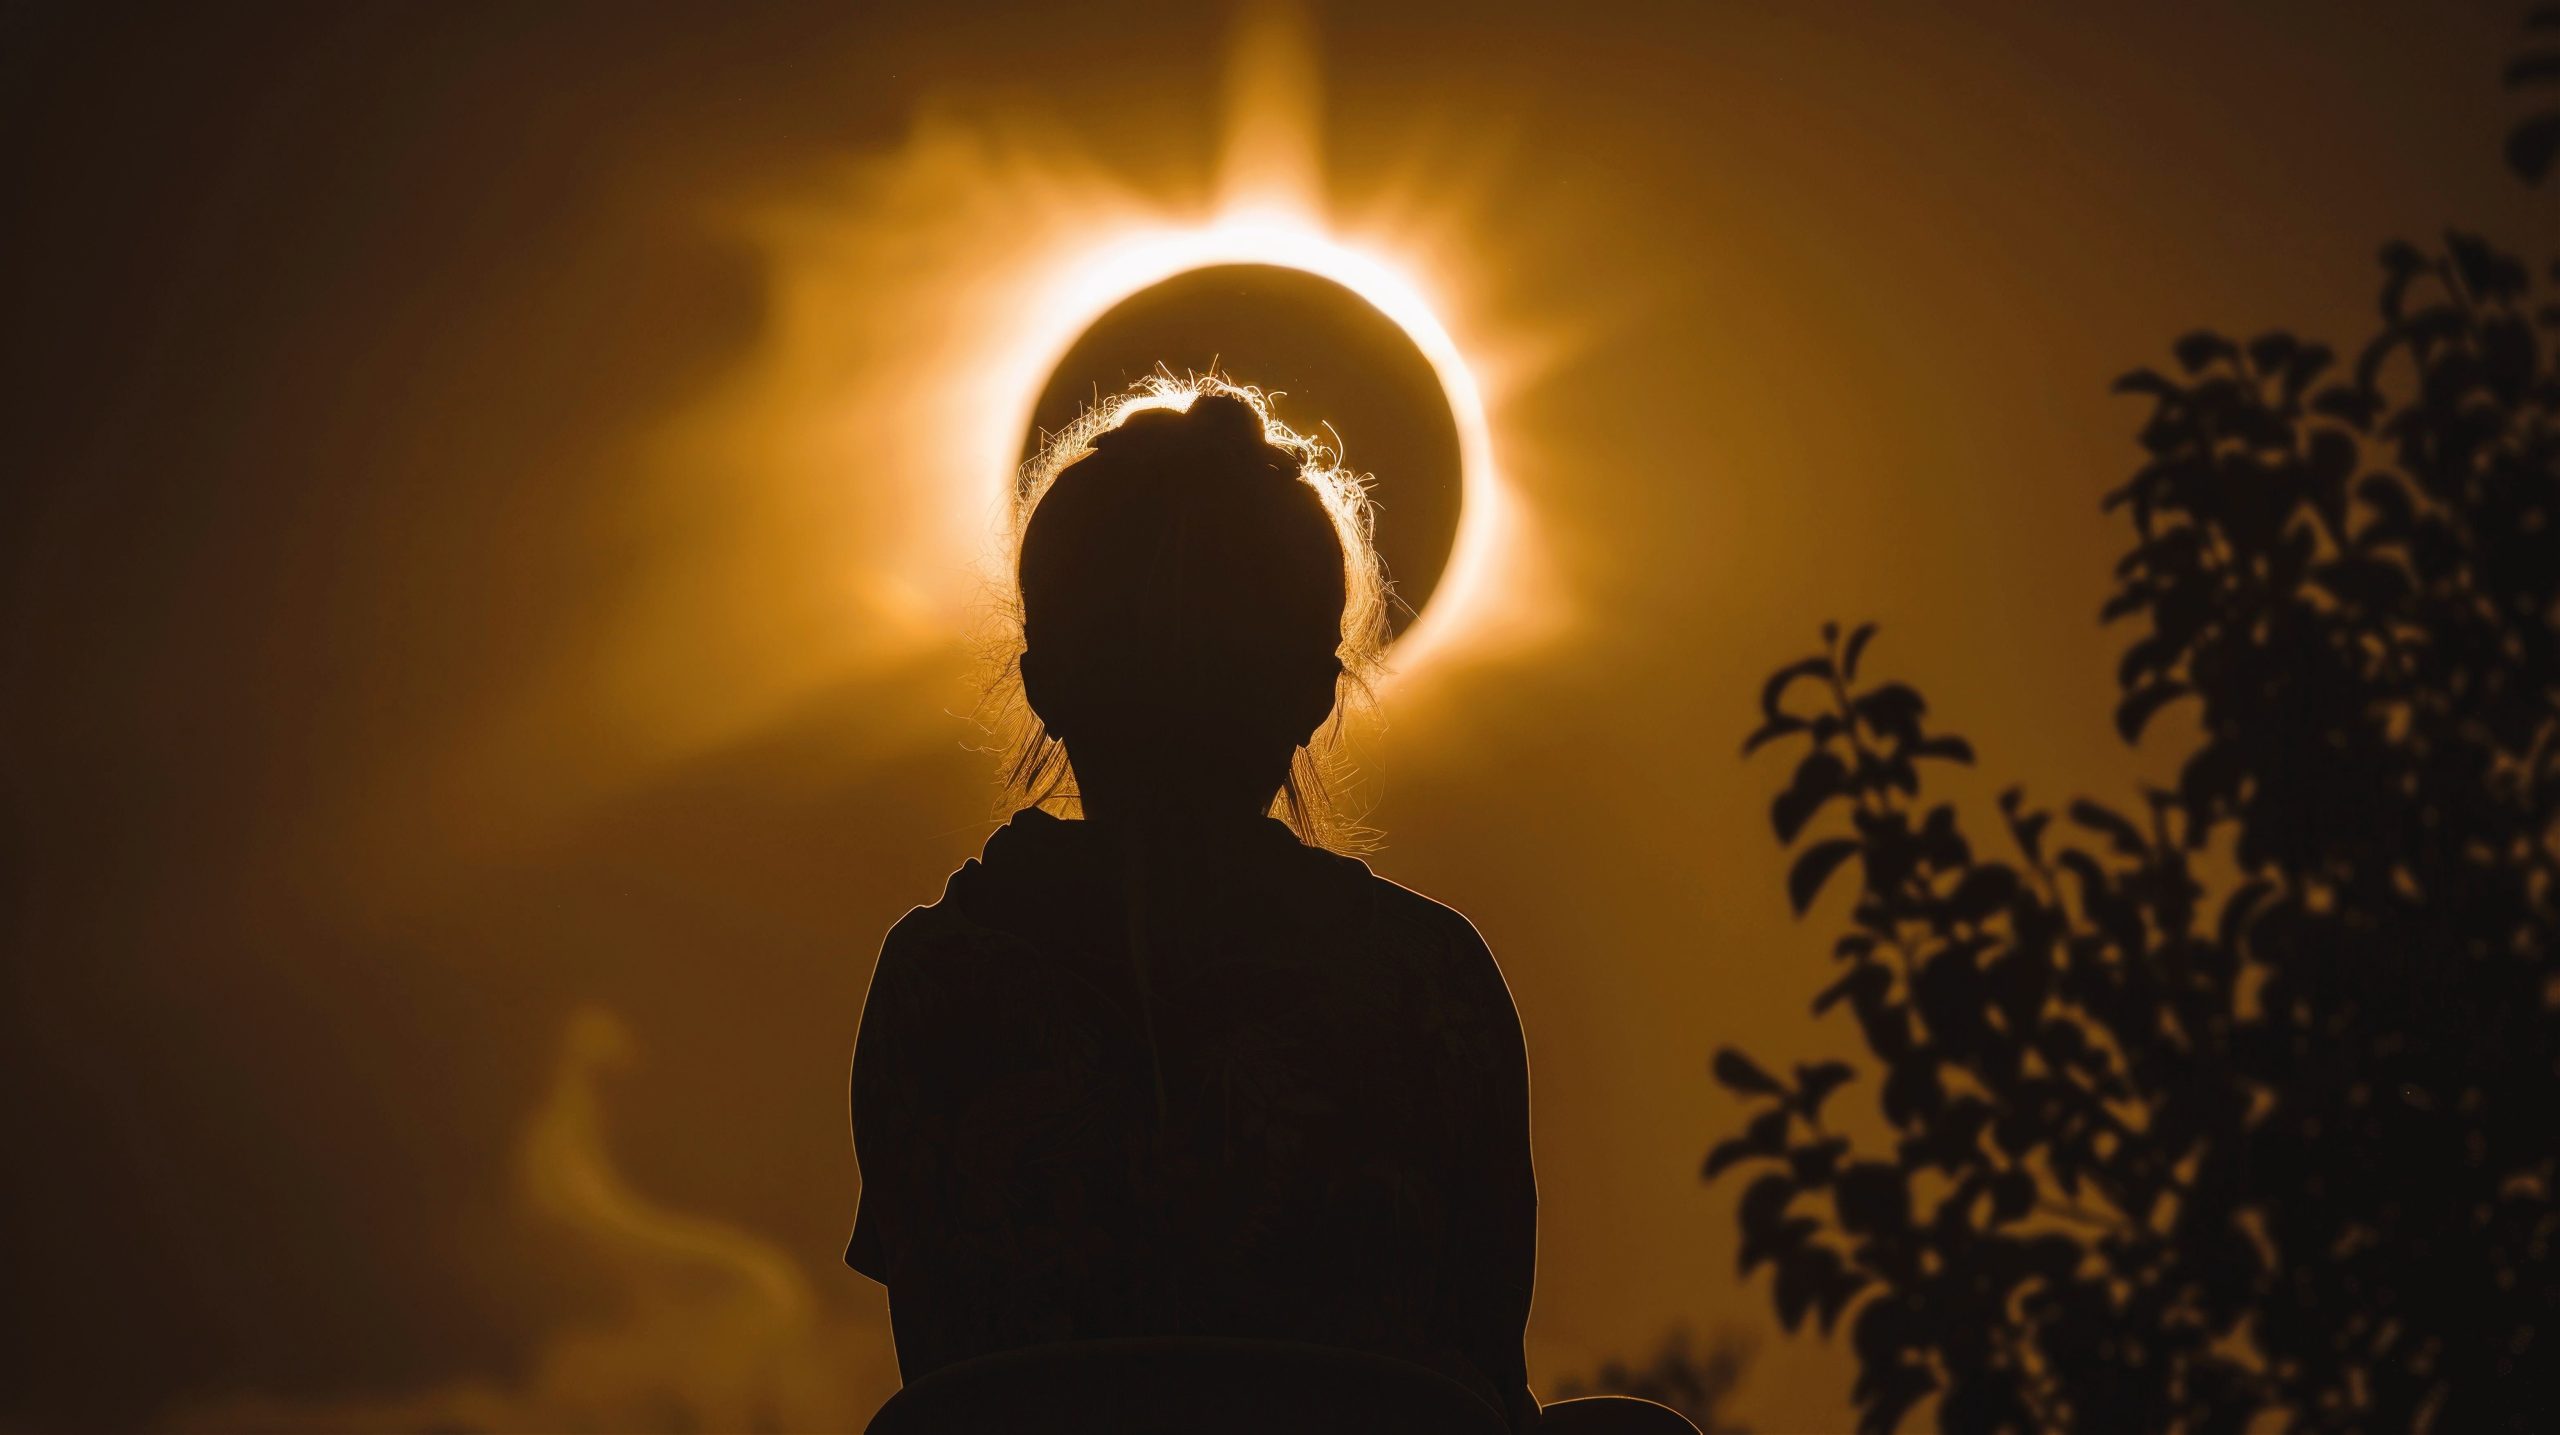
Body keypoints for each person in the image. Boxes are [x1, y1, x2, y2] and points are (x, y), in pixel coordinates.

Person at [845, 383, 1541, 1431]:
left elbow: (949, 1375)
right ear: (1314, 691)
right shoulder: (1428, 986)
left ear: (1043, 682)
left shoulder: (939, 986)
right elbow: (1485, 1386)